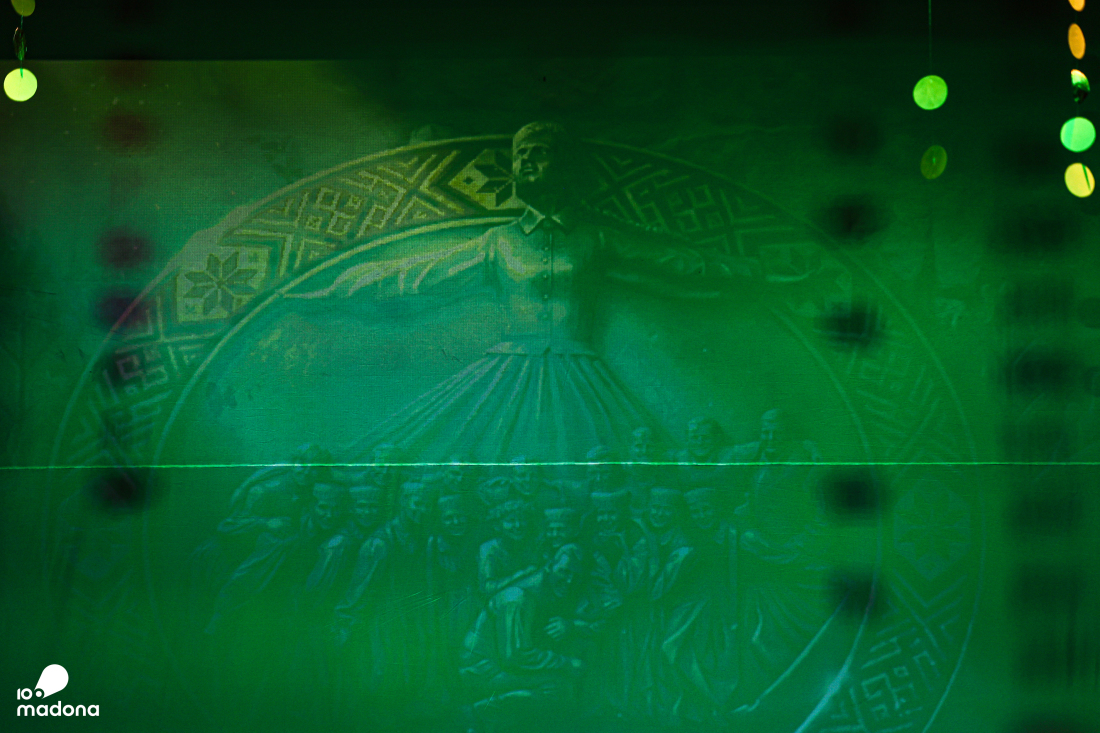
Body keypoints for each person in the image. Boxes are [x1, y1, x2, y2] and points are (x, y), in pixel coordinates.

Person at [296, 122, 760, 465]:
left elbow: (677, 265)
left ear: (567, 166)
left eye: (539, 153)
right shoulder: (498, 241)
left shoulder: (596, 239)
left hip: (582, 372)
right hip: (508, 370)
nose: (526, 162)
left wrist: (759, 273)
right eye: (521, 155)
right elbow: (418, 276)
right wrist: (334, 290)